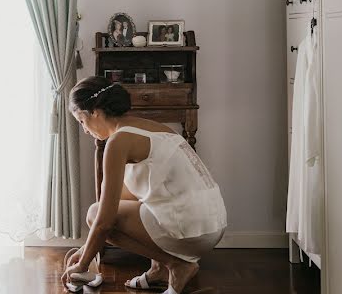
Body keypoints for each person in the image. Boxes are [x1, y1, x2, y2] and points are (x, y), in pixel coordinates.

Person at [63, 77, 227, 294]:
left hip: (191, 229)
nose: (84, 130)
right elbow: (125, 200)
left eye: (82, 121)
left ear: (95, 111)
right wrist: (87, 249)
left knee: (95, 213)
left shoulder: (118, 142)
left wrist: (82, 265)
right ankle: (158, 269)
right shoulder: (151, 128)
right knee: (123, 209)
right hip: (212, 224)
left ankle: (177, 265)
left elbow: (104, 219)